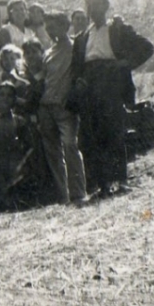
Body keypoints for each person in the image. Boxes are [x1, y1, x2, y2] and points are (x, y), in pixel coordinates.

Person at [71, 0, 154, 197]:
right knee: (94, 133)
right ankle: (102, 184)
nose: (94, 11)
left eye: (98, 6)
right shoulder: (82, 37)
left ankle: (121, 181)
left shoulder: (117, 29)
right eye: (90, 6)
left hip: (111, 82)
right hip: (90, 85)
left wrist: (126, 63)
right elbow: (76, 67)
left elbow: (147, 47)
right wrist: (79, 80)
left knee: (114, 131)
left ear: (106, 7)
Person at [39, 12, 87, 205]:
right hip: (47, 107)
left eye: (54, 27)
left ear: (65, 26)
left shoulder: (76, 46)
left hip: (66, 107)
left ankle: (78, 193)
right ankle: (63, 196)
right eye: (48, 28)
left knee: (70, 145)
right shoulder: (48, 52)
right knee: (53, 152)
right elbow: (43, 79)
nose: (51, 31)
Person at [0, 82, 33, 210]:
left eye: (9, 96)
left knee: (16, 199)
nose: (5, 98)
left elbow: (29, 146)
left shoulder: (19, 121)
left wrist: (22, 165)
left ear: (14, 100)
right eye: (2, 95)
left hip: (15, 164)